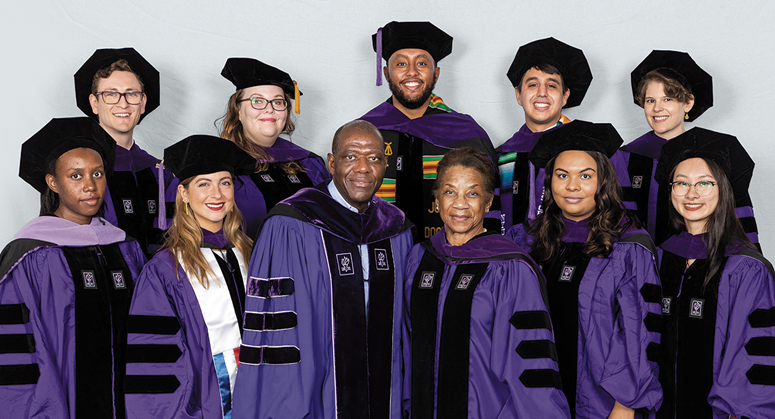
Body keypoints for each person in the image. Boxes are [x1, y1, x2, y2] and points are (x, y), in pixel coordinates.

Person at [232, 120, 414, 418]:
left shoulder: (395, 227)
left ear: (386, 164)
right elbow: (274, 329)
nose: (363, 168)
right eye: (351, 156)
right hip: (314, 395)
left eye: (374, 158)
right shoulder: (290, 223)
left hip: (385, 393)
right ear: (331, 163)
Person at [507, 121, 663, 418]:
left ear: (602, 181)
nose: (572, 186)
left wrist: (625, 404)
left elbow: (640, 329)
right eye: (562, 175)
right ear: (549, 182)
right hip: (532, 399)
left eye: (585, 176)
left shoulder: (629, 245)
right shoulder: (524, 240)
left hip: (604, 402)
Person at [402, 147, 571, 418]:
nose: (460, 204)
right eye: (449, 192)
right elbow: (407, 346)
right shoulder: (420, 258)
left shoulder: (511, 268)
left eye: (472, 193)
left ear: (488, 202)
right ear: (436, 199)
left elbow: (530, 362)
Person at [0, 117, 146, 418]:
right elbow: (17, 351)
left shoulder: (125, 247)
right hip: (59, 404)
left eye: (98, 173)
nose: (90, 186)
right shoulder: (29, 256)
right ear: (53, 182)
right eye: (75, 176)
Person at [123, 135, 255, 418]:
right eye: (203, 184)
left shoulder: (252, 254)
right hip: (204, 406)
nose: (217, 195)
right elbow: (154, 361)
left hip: (265, 399)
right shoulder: (164, 270)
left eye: (225, 182)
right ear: (183, 193)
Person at [653, 129, 775, 418]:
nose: (691, 193)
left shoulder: (746, 268)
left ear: (723, 190)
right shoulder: (658, 258)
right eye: (681, 183)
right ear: (670, 190)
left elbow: (754, 352)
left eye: (704, 183)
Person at [360, 21, 497, 241]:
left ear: (436, 73)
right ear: (386, 73)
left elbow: (490, 205)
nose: (412, 72)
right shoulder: (363, 134)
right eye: (401, 64)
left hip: (451, 260)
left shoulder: (467, 133)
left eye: (422, 63)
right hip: (379, 257)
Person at [623, 50, 760, 248]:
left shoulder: (716, 153)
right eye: (650, 100)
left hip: (700, 263)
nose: (657, 108)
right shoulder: (625, 156)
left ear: (688, 103)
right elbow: (616, 218)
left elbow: (737, 216)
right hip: (639, 263)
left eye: (668, 99)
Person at [74, 47, 174, 258]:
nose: (123, 103)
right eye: (111, 94)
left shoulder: (159, 172)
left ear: (143, 103)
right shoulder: (75, 171)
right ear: (94, 103)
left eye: (132, 94)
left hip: (158, 285)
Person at [219, 57, 330, 238]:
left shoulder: (309, 162)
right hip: (248, 263)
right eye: (258, 101)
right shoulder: (219, 163)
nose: (269, 109)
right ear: (238, 110)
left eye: (278, 102)